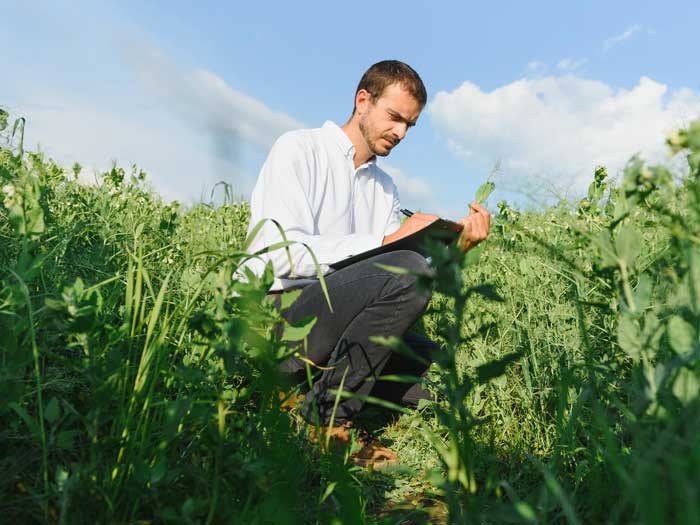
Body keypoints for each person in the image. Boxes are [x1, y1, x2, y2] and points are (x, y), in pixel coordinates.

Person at [245, 60, 490, 462]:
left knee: (446, 374)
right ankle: (325, 419)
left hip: (344, 324)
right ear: (363, 101)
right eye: (394, 117)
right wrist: (387, 241)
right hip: (282, 318)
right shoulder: (298, 149)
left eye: (409, 125)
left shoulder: (384, 187)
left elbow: (395, 287)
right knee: (408, 270)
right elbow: (279, 253)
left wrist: (454, 252)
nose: (400, 133)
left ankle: (309, 387)